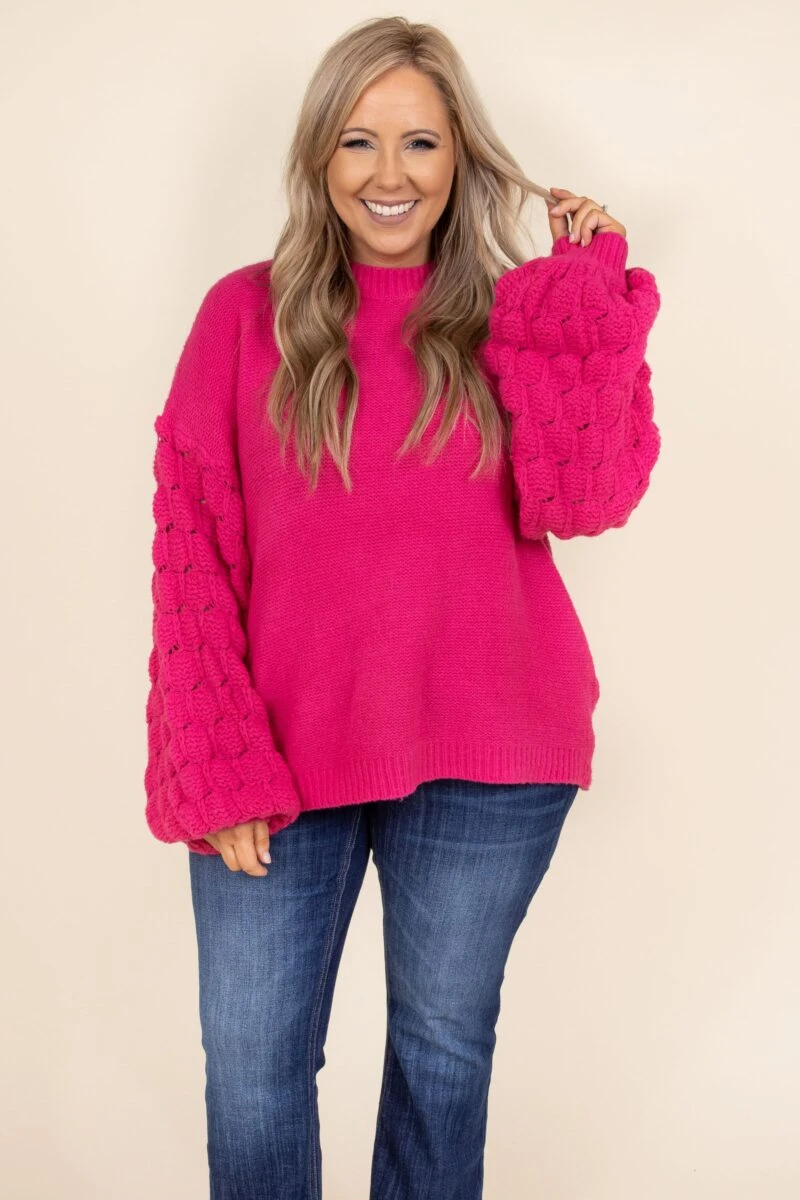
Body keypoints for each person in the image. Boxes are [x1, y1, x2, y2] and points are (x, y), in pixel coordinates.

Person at [143, 15, 661, 1199]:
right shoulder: (241, 317)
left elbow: (583, 498)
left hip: (491, 747)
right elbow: (190, 547)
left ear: (458, 156)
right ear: (318, 157)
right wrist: (213, 762)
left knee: (440, 1055)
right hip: (277, 757)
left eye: (419, 142)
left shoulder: (512, 318)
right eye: (358, 141)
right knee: (253, 1071)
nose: (390, 174)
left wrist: (582, 299)